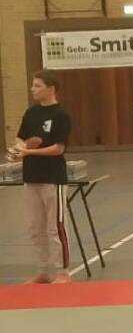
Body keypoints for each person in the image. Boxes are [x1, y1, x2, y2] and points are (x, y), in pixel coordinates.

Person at [8, 69, 71, 284]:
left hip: (53, 178)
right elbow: (20, 137)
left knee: (55, 227)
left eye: (37, 86)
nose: (32, 89)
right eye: (33, 85)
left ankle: (62, 272)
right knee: (36, 228)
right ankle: (44, 271)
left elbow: (58, 149)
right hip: (31, 177)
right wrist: (20, 147)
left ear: (51, 89)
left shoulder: (61, 115)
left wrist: (28, 152)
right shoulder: (31, 113)